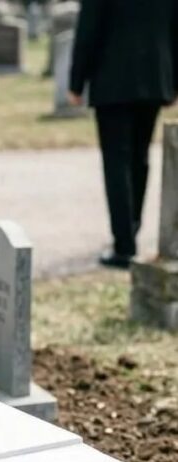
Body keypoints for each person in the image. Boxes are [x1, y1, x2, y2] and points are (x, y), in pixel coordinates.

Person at [69, 0, 178, 269]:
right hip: (153, 75)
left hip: (113, 77)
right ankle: (132, 228)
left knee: (117, 162)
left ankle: (124, 245)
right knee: (140, 158)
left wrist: (76, 82)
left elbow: (89, 29)